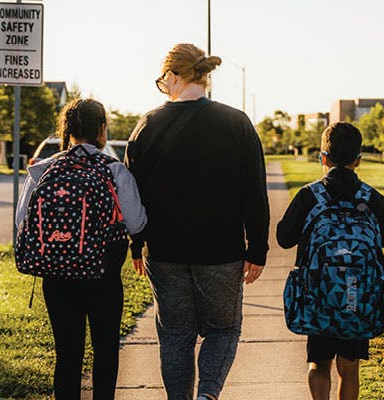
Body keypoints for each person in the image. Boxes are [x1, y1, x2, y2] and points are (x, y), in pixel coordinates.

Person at [124, 43, 268, 400]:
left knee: (175, 335)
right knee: (223, 329)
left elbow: (131, 193)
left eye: (163, 81)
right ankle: (208, 395)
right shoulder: (236, 123)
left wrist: (136, 245)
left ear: (173, 77)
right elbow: (254, 192)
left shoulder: (148, 125)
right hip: (221, 251)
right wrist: (258, 248)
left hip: (165, 252)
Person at [14, 98, 147, 400]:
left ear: (68, 130)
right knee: (105, 351)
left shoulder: (43, 171)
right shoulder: (114, 171)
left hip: (57, 278)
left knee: (67, 354)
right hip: (103, 276)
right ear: (102, 130)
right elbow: (137, 223)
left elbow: (22, 221)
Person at [276, 122, 384, 400]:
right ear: (358, 159)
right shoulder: (370, 197)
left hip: (319, 296)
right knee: (349, 366)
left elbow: (284, 238)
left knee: (318, 364)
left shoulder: (310, 196)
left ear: (322, 157)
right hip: (357, 297)